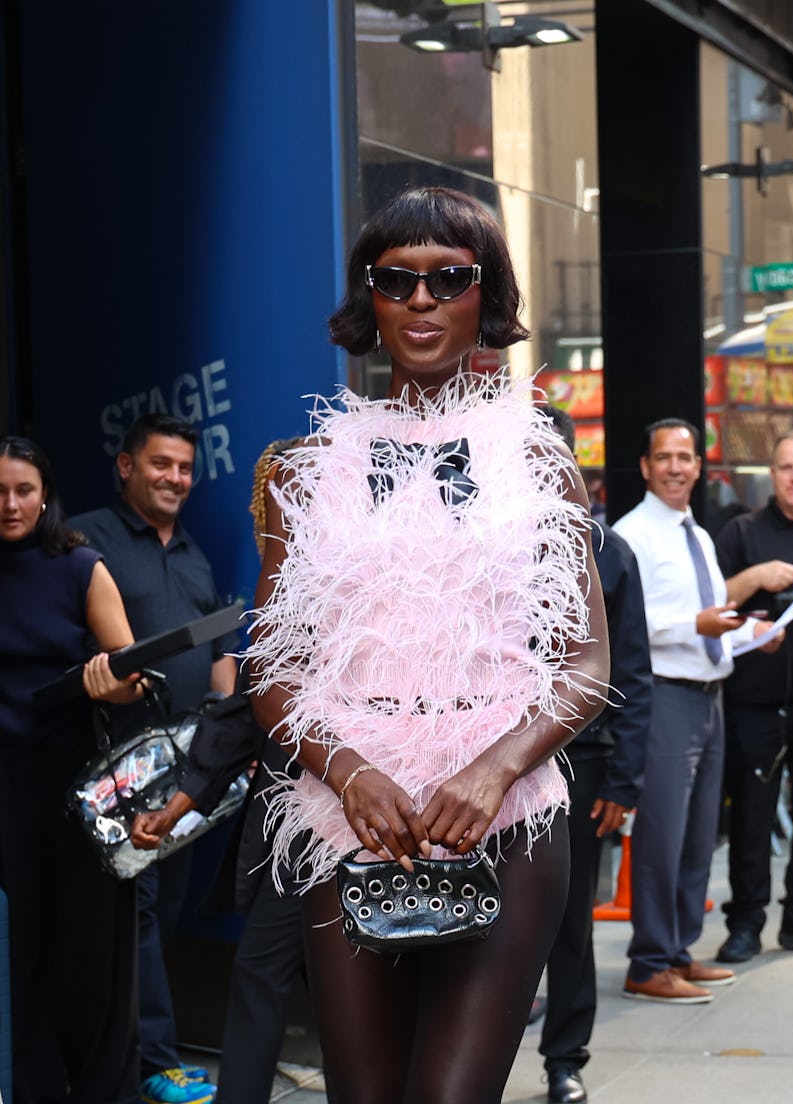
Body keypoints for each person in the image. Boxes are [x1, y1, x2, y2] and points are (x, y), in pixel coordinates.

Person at [245, 185, 610, 1104]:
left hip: (505, 812)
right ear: (367, 297)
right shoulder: (302, 466)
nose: (420, 300)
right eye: (395, 279)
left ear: (485, 298)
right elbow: (272, 673)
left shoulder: (537, 458)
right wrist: (349, 771)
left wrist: (492, 771)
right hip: (351, 816)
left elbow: (587, 664)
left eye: (448, 278)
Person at [129, 439, 308, 1104]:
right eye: (277, 507)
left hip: (376, 827)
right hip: (293, 825)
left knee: (359, 993)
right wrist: (179, 805)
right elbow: (245, 714)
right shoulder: (280, 600)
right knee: (262, 977)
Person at [70, 414, 237, 1104]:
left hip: (192, 763)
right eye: (161, 464)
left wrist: (229, 730)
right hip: (119, 763)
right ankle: (154, 1062)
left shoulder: (196, 554)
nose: (175, 478)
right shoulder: (84, 541)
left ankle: (138, 1046)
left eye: (184, 468)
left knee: (167, 906)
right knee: (134, 908)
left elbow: (222, 651)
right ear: (126, 467)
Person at [613, 418, 780, 1004]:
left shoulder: (700, 536)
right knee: (660, 836)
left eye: (686, 457)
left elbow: (713, 622)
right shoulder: (631, 533)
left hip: (710, 697)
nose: (677, 467)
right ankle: (649, 962)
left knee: (696, 836)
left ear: (699, 466)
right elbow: (626, 628)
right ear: (645, 466)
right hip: (665, 698)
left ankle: (678, 953)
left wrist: (752, 631)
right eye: (665, 457)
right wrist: (698, 625)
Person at [0, 435, 145, 1104]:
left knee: (87, 955)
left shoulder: (80, 566)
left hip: (77, 790)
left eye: (23, 490)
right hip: (5, 792)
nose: (9, 504)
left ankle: (99, 1093)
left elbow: (134, 675)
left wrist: (105, 681)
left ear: (46, 494)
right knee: (17, 953)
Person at [537, 408, 652, 1104]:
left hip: (581, 762)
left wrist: (626, 777)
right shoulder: (475, 541)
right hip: (483, 762)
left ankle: (563, 1058)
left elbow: (631, 675)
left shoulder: (608, 551)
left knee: (569, 918)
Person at [714, 429, 793, 961]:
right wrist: (754, 576)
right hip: (756, 698)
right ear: (772, 474)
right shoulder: (742, 531)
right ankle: (746, 922)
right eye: (786, 468)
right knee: (752, 814)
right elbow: (711, 604)